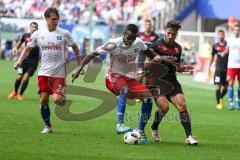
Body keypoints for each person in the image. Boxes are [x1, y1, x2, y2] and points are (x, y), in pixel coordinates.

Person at [72, 24, 162, 143]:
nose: (129, 40)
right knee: (124, 89)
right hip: (112, 76)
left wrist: (155, 57)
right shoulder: (113, 44)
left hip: (128, 78)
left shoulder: (139, 43)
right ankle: (119, 125)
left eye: (132, 38)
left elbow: (149, 52)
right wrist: (79, 67)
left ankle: (140, 131)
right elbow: (93, 53)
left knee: (148, 98)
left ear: (136, 37)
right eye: (128, 37)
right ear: (124, 33)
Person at [14, 7, 81, 133]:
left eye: (57, 19)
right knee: (43, 100)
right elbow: (27, 49)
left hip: (59, 73)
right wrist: (19, 61)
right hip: (44, 72)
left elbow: (75, 47)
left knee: (57, 100)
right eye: (53, 19)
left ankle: (62, 98)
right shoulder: (38, 34)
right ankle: (48, 125)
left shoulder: (64, 33)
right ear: (46, 19)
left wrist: (79, 65)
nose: (56, 21)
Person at [148, 20, 198, 145]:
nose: (171, 36)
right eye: (169, 33)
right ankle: (154, 126)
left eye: (173, 34)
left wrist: (182, 68)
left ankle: (189, 136)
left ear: (176, 34)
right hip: (158, 82)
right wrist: (156, 61)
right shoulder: (156, 45)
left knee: (182, 105)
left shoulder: (178, 48)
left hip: (172, 81)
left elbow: (176, 66)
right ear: (165, 31)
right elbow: (147, 64)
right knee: (164, 108)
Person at [8, 22, 39, 101]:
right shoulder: (25, 36)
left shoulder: (39, 37)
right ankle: (15, 92)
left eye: (36, 27)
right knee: (19, 77)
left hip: (33, 62)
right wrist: (15, 49)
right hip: (23, 61)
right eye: (33, 27)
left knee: (26, 78)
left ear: (38, 28)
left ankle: (20, 94)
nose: (34, 28)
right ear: (30, 27)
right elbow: (19, 43)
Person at [208, 30, 228, 109]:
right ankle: (218, 104)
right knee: (217, 86)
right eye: (219, 35)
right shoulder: (215, 46)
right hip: (218, 69)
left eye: (221, 35)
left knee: (226, 87)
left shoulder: (228, 45)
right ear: (218, 36)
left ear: (224, 35)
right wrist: (209, 67)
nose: (220, 36)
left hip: (227, 68)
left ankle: (221, 97)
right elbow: (212, 57)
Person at [223, 23, 240, 110]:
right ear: (233, 31)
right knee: (231, 84)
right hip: (231, 65)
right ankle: (231, 102)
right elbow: (227, 49)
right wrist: (223, 53)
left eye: (238, 30)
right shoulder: (229, 40)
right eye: (235, 30)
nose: (237, 31)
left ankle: (238, 101)